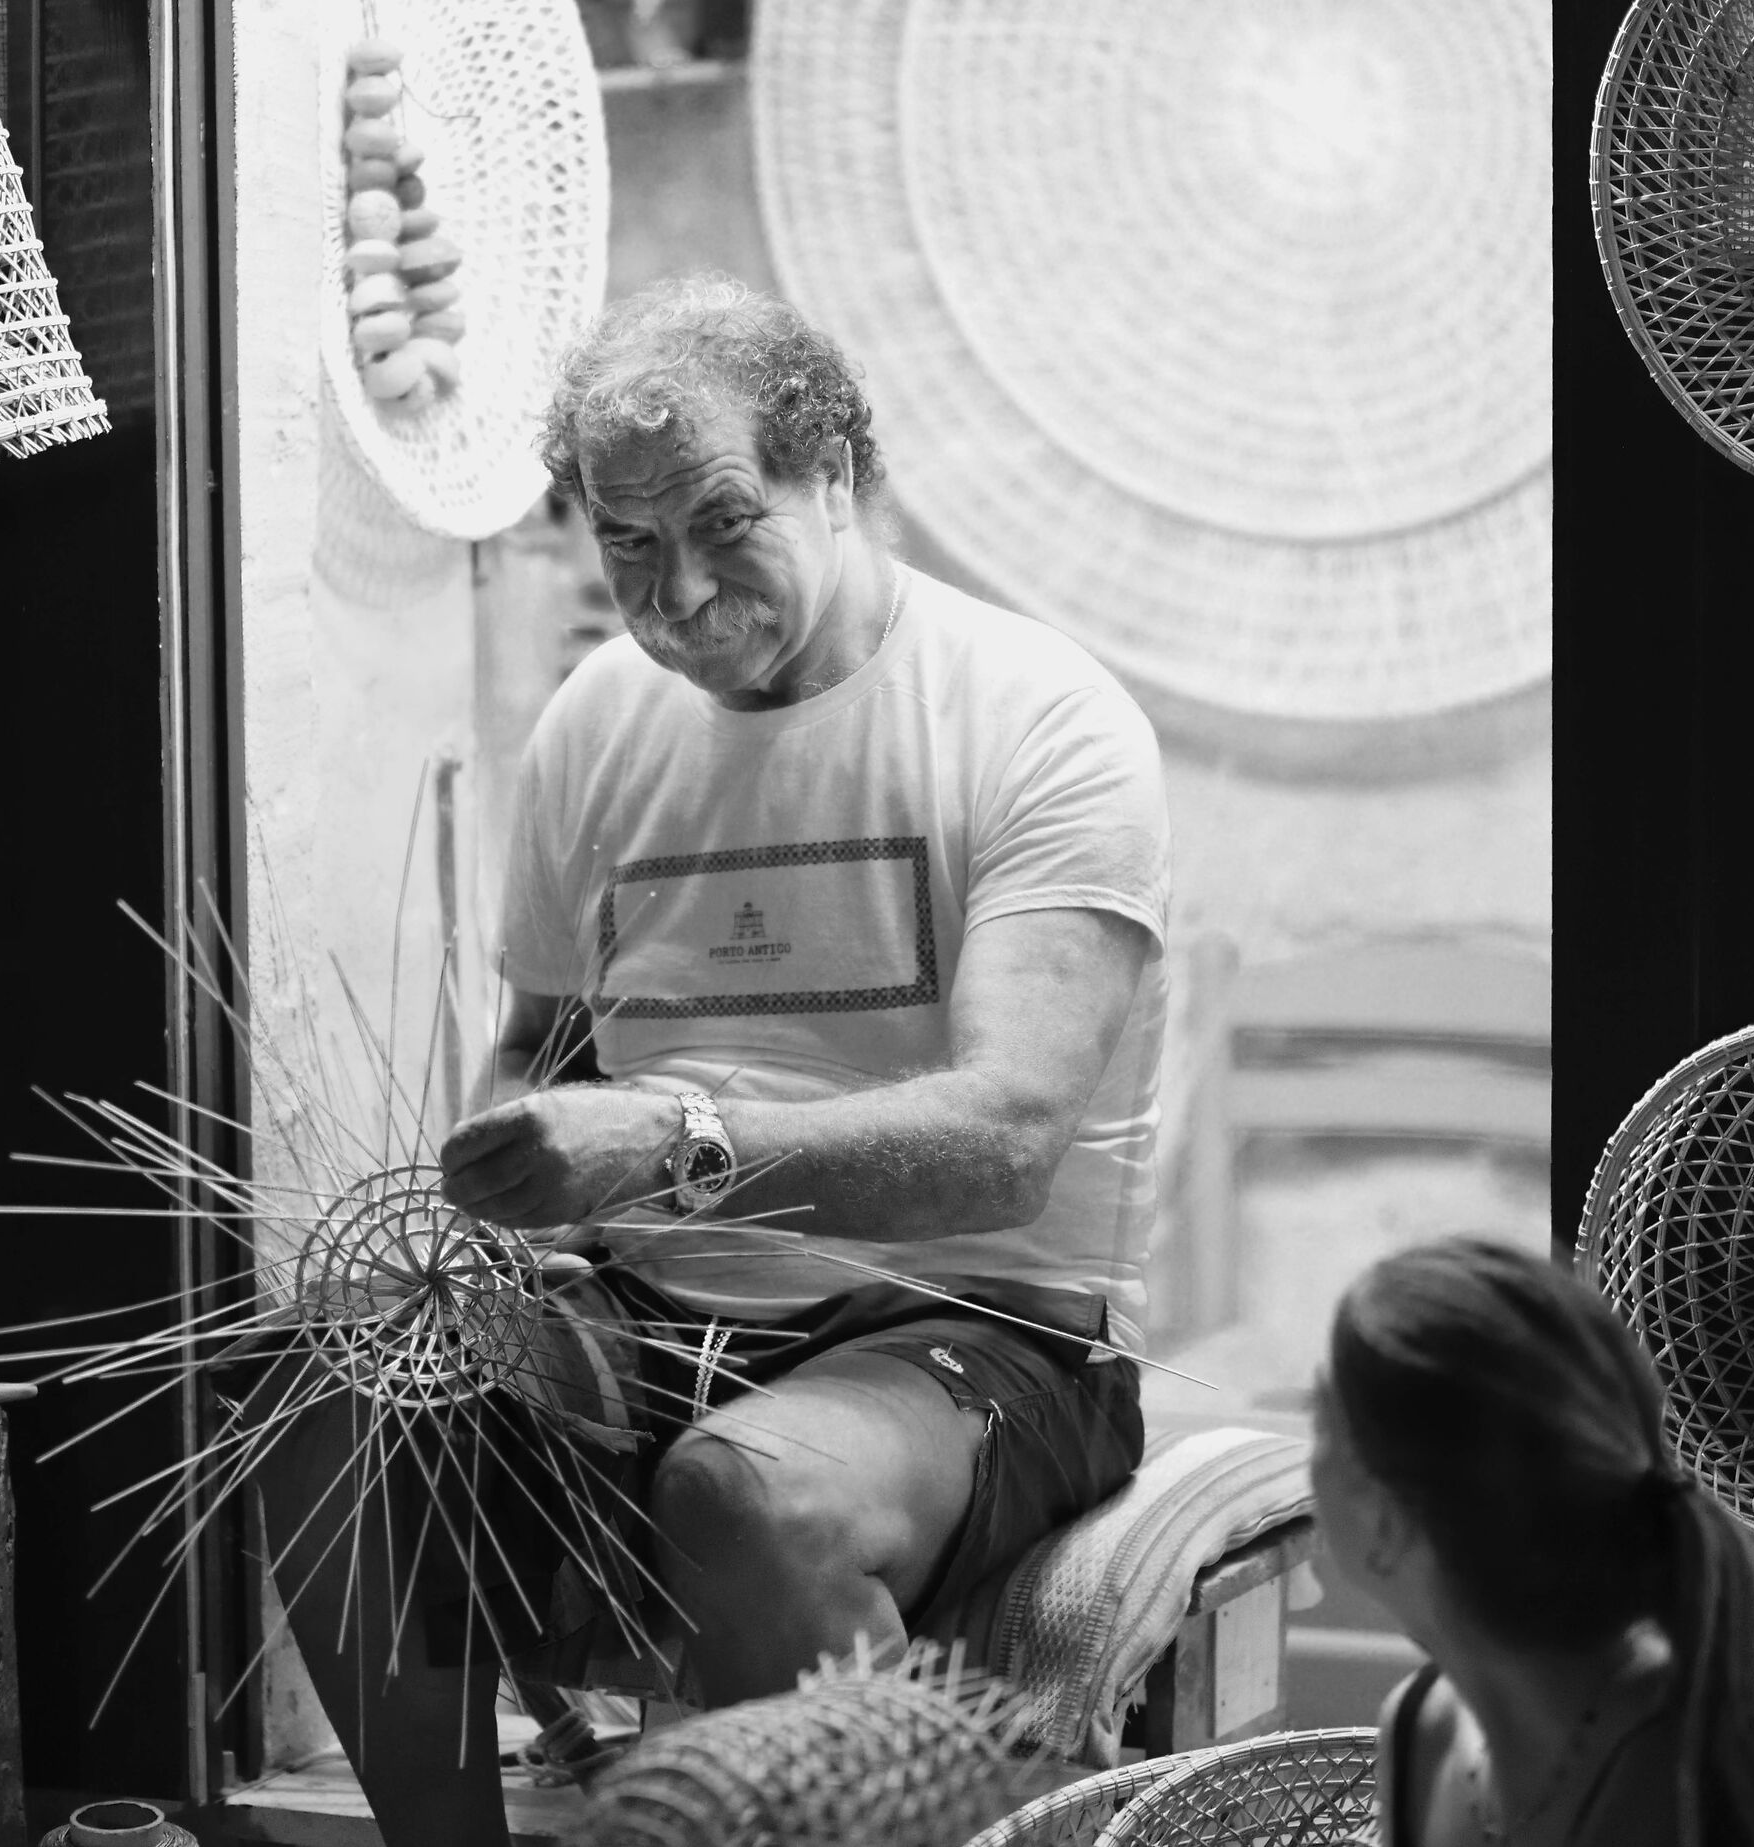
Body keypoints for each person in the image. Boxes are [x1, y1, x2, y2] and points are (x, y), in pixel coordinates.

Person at [256, 274, 1168, 1846]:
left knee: (743, 1492)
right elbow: (541, 1057)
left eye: (724, 520)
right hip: (650, 1310)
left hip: (976, 1324)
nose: (672, 592)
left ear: (835, 473)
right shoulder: (598, 724)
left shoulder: (1038, 717)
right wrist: (487, 1217)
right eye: (626, 542)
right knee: (326, 1377)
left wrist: (674, 1136)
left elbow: (1009, 1137)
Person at [1311, 1241, 1754, 1847]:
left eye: (1318, 1421)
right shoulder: (1419, 1730)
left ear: (1386, 1526)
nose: (1306, 1460)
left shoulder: (1674, 1794)